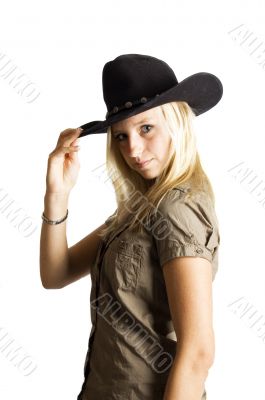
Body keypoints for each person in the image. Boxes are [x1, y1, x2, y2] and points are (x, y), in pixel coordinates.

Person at [40, 54, 223, 400]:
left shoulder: (179, 208)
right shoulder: (137, 210)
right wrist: (57, 193)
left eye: (146, 128)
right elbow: (55, 274)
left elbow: (199, 351)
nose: (133, 149)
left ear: (177, 122)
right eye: (121, 136)